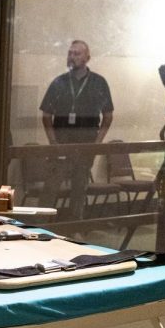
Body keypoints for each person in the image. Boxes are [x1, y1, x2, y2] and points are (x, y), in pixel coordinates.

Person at [39, 40, 113, 219]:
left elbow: (108, 116)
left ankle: (75, 228)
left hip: (85, 146)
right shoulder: (59, 82)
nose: (72, 57)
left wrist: (96, 144)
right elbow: (46, 115)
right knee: (50, 188)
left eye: (77, 54)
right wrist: (53, 142)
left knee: (80, 189)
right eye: (70, 53)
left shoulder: (99, 83)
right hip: (61, 145)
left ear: (87, 58)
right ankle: (40, 226)